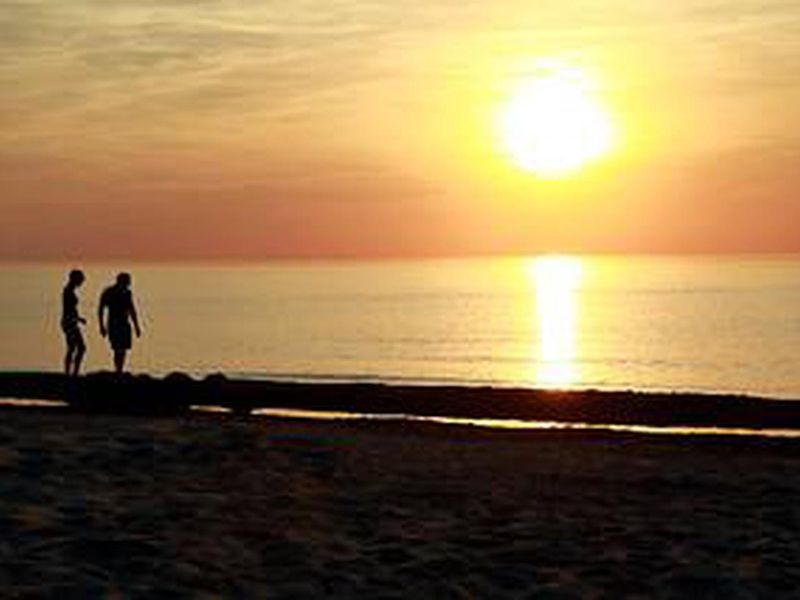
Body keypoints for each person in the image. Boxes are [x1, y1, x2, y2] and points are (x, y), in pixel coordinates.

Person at [98, 272, 141, 374]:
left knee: (123, 348)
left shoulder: (127, 293)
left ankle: (119, 370)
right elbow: (101, 309)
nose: (129, 283)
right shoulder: (109, 292)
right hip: (114, 323)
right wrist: (101, 326)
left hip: (124, 323)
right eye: (128, 281)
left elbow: (132, 310)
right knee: (117, 348)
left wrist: (136, 327)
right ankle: (118, 370)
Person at [61, 269, 87, 376]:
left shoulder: (70, 291)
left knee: (76, 347)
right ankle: (70, 372)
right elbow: (68, 309)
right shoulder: (68, 291)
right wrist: (76, 319)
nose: (81, 282)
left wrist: (79, 318)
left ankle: (73, 371)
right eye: (80, 280)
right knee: (77, 347)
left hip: (72, 321)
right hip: (69, 322)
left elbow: (71, 309)